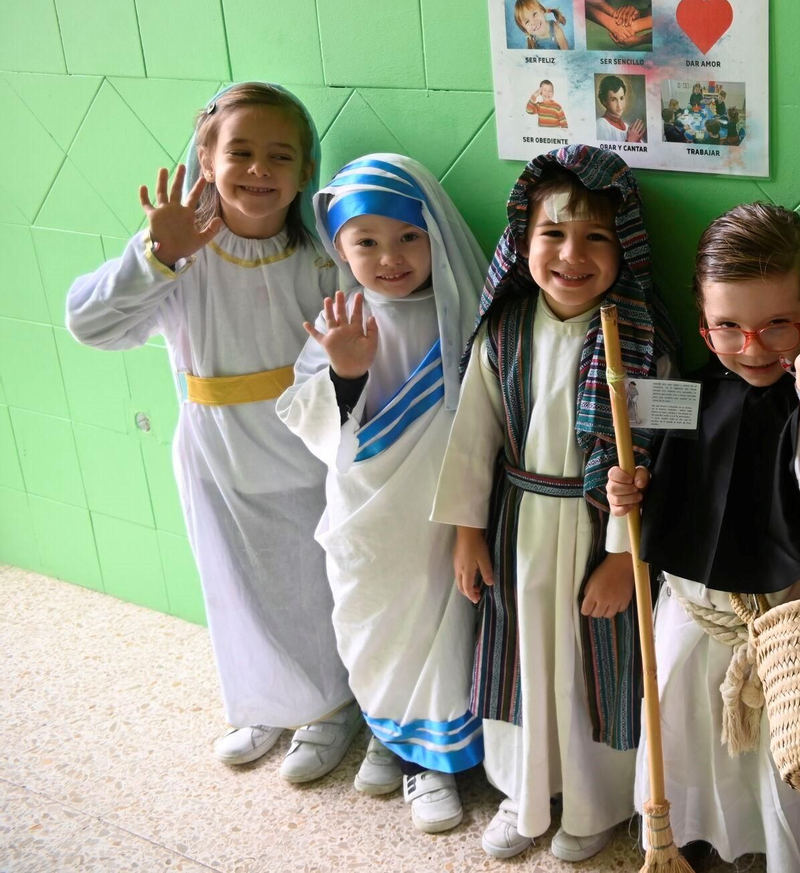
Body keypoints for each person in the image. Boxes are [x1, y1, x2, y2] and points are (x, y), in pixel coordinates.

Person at [606, 202, 800, 873]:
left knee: (790, 772)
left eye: (777, 324)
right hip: (692, 622)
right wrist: (624, 495)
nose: (752, 347)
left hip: (793, 632)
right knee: (688, 748)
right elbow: (644, 470)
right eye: (729, 327)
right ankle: (694, 844)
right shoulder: (679, 391)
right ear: (703, 323)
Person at [65, 82, 357, 780]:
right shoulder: (179, 253)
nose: (259, 170)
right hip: (215, 450)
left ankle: (328, 707)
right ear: (206, 156)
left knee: (312, 582)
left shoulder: (322, 258)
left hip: (305, 447)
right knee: (234, 581)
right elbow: (91, 325)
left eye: (279, 155)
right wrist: (152, 256)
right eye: (241, 152)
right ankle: (261, 701)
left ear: (304, 170)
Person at [431, 145, 676, 862]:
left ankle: (595, 805)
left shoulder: (647, 338)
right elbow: (473, 437)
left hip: (602, 532)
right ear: (523, 242)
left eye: (596, 236)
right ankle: (523, 792)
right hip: (519, 528)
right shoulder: (501, 333)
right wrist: (467, 534)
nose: (573, 254)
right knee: (522, 661)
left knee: (595, 671)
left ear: (624, 243)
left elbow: (661, 451)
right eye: (554, 234)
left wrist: (621, 559)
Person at [278, 154, 489, 833]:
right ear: (339, 246)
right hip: (368, 523)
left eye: (407, 237)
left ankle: (433, 760)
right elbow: (317, 426)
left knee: (441, 630)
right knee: (372, 629)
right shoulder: (339, 317)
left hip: (440, 519)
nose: (389, 258)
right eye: (365, 241)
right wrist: (345, 371)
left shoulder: (464, 315)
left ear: (435, 236)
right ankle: (387, 732)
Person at [595, 75, 646, 144]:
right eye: (613, 100)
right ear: (604, 101)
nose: (619, 105)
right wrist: (630, 141)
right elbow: (606, 153)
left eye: (621, 98)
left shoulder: (627, 126)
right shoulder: (602, 125)